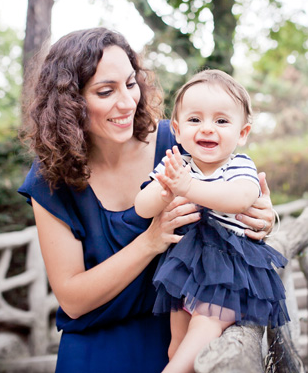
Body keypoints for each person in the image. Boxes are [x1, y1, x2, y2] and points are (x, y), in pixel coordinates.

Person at [17, 28, 276, 373]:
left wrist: (267, 219)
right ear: (71, 101)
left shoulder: (180, 138)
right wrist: (150, 242)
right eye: (106, 91)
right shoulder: (50, 178)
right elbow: (73, 300)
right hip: (97, 348)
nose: (127, 102)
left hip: (178, 335)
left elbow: (234, 189)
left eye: (130, 83)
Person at [135, 69, 289, 373]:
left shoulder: (238, 165)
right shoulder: (179, 165)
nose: (207, 129)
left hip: (228, 267)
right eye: (195, 120)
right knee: (175, 344)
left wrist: (188, 188)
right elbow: (142, 207)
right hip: (185, 268)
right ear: (177, 130)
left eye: (221, 121)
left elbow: (240, 198)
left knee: (201, 332)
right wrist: (165, 189)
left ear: (242, 133)